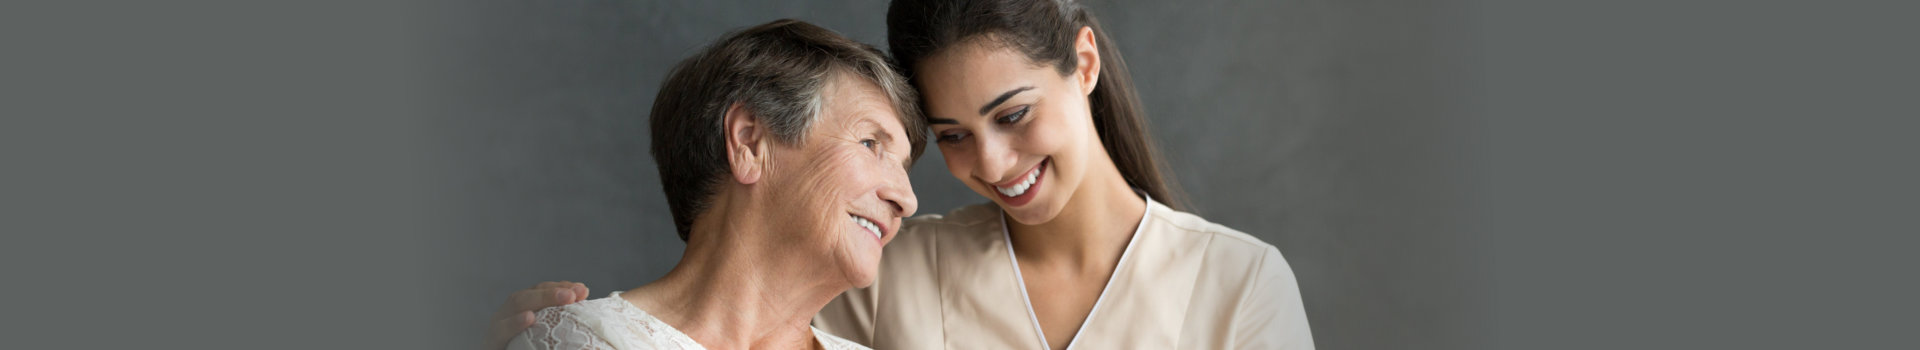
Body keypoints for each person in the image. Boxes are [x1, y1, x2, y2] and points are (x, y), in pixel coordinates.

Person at [495, 0, 1314, 348]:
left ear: (1085, 61)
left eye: (1014, 113)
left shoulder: (1238, 284)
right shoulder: (892, 266)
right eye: (951, 134)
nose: (988, 165)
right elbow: (720, 303)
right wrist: (554, 336)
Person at [496, 19, 928, 350]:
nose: (906, 200)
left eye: (904, 167)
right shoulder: (576, 341)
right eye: (871, 143)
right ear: (749, 143)